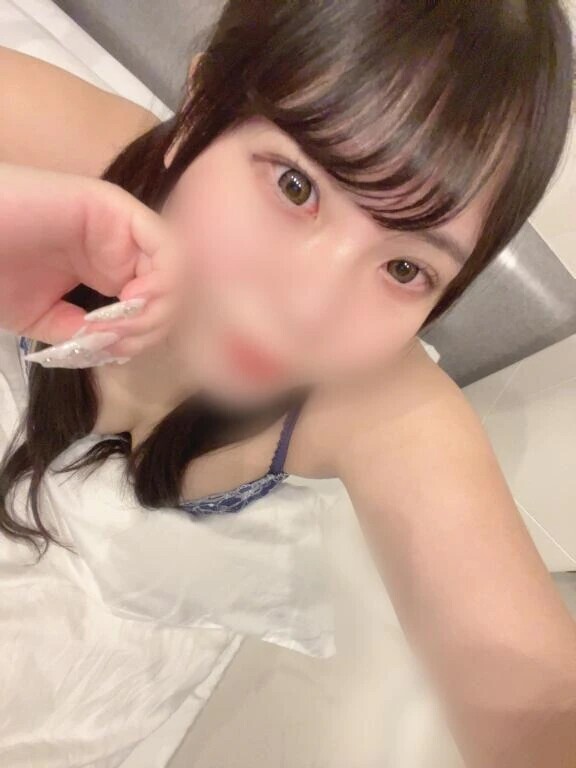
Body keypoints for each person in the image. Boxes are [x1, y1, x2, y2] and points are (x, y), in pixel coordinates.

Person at [0, 1, 575, 765]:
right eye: (297, 187)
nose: (307, 310)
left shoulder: (379, 408)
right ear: (200, 110)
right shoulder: (72, 152)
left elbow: (538, 706)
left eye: (405, 268)